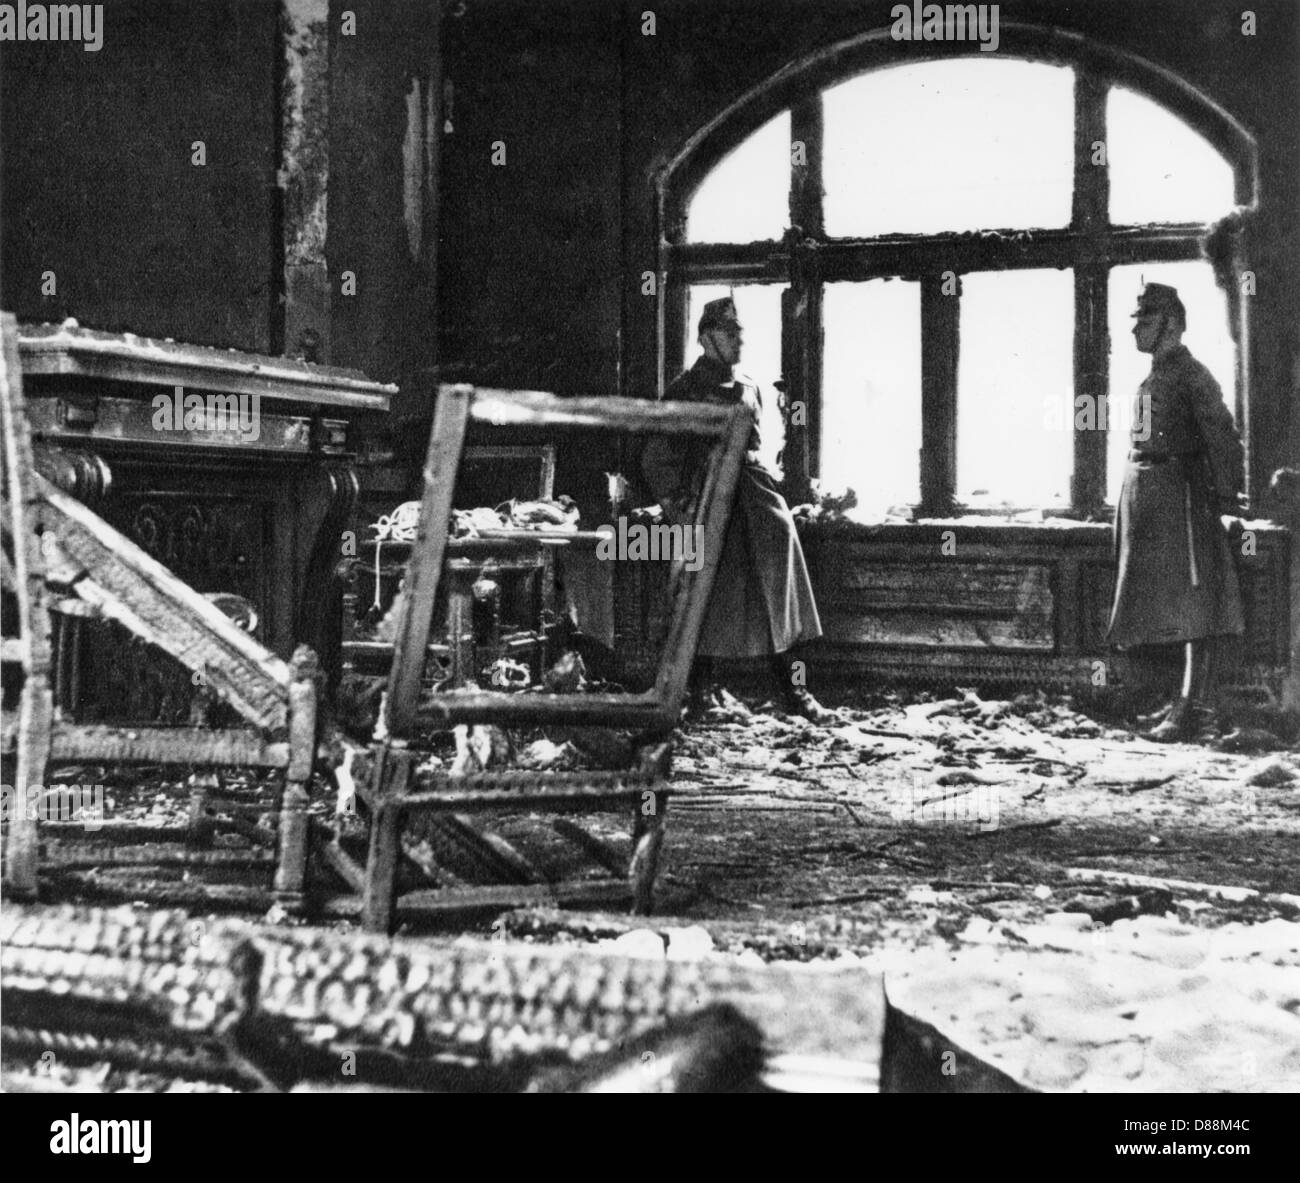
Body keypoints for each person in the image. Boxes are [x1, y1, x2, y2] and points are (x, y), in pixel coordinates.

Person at [642, 296, 833, 723]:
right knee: (704, 600)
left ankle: (796, 692)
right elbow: (656, 456)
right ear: (707, 337)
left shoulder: (750, 387)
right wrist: (680, 508)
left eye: (741, 331)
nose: (739, 339)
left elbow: (757, 447)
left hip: (758, 501)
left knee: (784, 601)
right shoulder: (683, 391)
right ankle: (702, 693)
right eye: (730, 332)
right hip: (710, 502)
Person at [1107, 282, 1245, 741]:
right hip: (1150, 501)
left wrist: (1227, 504)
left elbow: (1223, 440)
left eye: (1144, 320)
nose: (1134, 330)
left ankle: (1190, 711)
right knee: (1161, 606)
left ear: (1171, 323)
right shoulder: (1154, 376)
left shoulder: (1194, 375)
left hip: (1183, 504)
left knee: (1194, 610)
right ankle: (1173, 705)